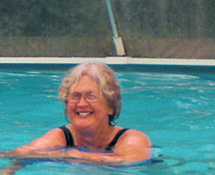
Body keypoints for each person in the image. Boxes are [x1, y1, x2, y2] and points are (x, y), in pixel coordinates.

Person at [10, 61, 151, 164]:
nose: (82, 104)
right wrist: (10, 171)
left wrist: (76, 156)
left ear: (110, 106)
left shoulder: (131, 138)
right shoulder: (62, 136)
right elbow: (19, 154)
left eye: (91, 96)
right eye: (75, 96)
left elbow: (131, 160)